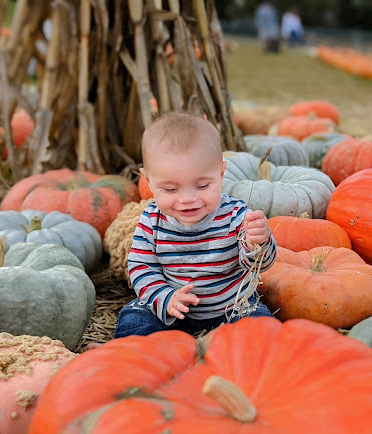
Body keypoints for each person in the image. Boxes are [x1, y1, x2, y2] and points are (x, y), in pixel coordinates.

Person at [115, 112, 277, 338]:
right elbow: (141, 267)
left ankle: (243, 363)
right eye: (171, 189)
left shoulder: (236, 215)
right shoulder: (151, 221)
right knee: (134, 319)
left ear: (221, 174)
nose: (187, 198)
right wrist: (164, 297)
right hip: (169, 311)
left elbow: (261, 265)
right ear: (148, 181)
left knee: (259, 325)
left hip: (230, 308)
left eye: (202, 185)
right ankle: (131, 356)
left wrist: (258, 242)